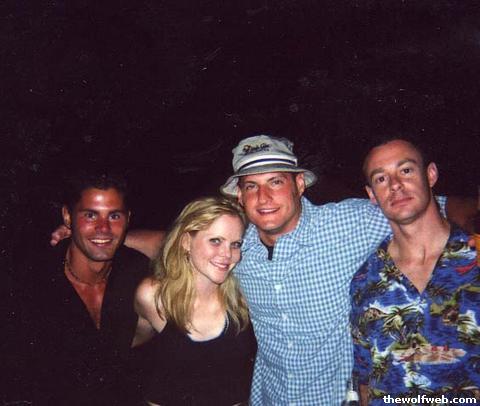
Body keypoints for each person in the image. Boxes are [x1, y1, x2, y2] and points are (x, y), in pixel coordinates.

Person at [50, 135, 475, 405]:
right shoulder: (238, 246)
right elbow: (179, 240)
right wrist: (105, 234)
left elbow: (424, 203)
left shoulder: (349, 222)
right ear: (239, 196)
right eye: (251, 186)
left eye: (276, 181)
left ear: (299, 184)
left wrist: (472, 225)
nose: (264, 197)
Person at [350, 139, 480, 405]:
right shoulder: (365, 280)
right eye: (381, 178)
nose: (395, 185)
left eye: (406, 170)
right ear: (372, 194)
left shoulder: (474, 258)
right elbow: (365, 381)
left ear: (430, 174)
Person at [31, 172, 149, 405]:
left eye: (114, 216)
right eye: (90, 215)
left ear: (128, 219)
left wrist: (112, 238)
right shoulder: (35, 282)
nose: (103, 227)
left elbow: (187, 243)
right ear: (67, 216)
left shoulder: (136, 270)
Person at [132, 196, 257, 405]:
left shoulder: (243, 298)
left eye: (235, 244)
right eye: (215, 241)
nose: (227, 254)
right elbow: (131, 342)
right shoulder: (154, 295)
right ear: (186, 242)